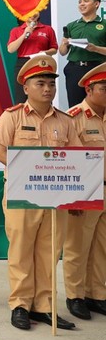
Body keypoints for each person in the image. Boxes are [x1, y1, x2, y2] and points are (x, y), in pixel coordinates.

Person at [0, 56, 79, 331]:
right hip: (22, 194)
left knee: (49, 252)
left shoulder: (65, 121)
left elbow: (75, 158)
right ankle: (20, 304)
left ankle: (44, 306)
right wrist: (28, 170)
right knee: (21, 250)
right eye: (40, 83)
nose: (48, 89)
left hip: (55, 198)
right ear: (26, 87)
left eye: (52, 84)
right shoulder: (12, 116)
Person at [63, 63, 106, 321]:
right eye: (104, 87)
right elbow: (68, 159)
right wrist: (73, 196)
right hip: (86, 191)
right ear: (89, 89)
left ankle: (96, 294)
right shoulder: (74, 117)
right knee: (78, 246)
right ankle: (75, 295)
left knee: (102, 246)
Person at [60, 0, 106, 107]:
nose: (81, 4)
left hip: (97, 68)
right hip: (75, 69)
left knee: (99, 104)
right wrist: (65, 44)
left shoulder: (104, 24)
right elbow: (62, 52)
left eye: (86, 1)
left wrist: (95, 48)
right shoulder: (71, 25)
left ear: (96, 4)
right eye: (80, 2)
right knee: (75, 106)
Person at [6, 13, 57, 104]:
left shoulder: (47, 29)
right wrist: (25, 33)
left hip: (41, 63)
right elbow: (11, 49)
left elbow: (54, 49)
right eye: (29, 12)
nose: (32, 14)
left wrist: (45, 52)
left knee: (43, 94)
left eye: (35, 11)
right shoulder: (16, 30)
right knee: (21, 97)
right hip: (23, 63)